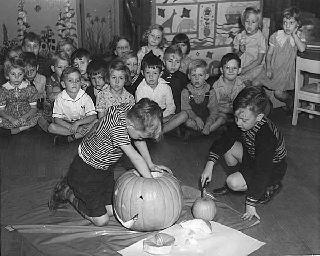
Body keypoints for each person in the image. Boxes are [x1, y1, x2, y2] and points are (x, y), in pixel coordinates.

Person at [48, 98, 170, 226]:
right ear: (131, 126)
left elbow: (139, 140)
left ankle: (84, 195)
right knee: (102, 221)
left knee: (113, 209)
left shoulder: (131, 113)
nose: (140, 139)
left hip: (105, 170)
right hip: (85, 171)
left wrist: (150, 165)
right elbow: (135, 157)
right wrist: (151, 183)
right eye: (140, 135)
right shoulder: (117, 128)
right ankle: (67, 192)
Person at [201, 86, 286, 221]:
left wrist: (250, 204)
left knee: (233, 182)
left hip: (272, 167)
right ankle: (243, 178)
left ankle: (269, 186)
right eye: (236, 117)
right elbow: (224, 140)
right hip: (253, 156)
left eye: (244, 120)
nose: (238, 123)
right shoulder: (242, 119)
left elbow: (262, 170)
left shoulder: (266, 136)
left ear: (259, 117)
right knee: (227, 148)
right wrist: (209, 165)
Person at [253, 7, 306, 112]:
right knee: (255, 84)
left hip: (285, 72)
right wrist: (268, 68)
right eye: (285, 22)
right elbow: (269, 54)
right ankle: (265, 100)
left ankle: (290, 102)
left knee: (278, 93)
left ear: (297, 24)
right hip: (272, 68)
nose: (287, 26)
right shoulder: (276, 36)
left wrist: (294, 34)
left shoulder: (298, 36)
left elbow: (302, 48)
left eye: (291, 23)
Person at [47, 67, 97, 145]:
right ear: (63, 84)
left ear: (80, 83)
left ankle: (72, 137)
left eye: (77, 81)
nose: (74, 83)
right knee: (51, 127)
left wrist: (78, 124)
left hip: (82, 123)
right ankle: (80, 134)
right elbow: (57, 119)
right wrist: (75, 128)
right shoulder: (60, 98)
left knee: (97, 122)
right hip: (66, 124)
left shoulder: (85, 97)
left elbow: (93, 116)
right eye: (70, 81)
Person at [0, 58, 40, 135]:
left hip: (26, 114)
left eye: (20, 74)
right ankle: (22, 128)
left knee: (38, 117)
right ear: (7, 75)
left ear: (24, 74)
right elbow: (1, 110)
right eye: (13, 74)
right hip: (9, 116)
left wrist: (24, 117)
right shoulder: (3, 90)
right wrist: (11, 119)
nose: (17, 77)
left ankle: (20, 129)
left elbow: (34, 108)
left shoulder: (29, 89)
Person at [181, 59, 218, 135]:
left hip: (207, 118)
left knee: (221, 119)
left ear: (206, 76)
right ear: (189, 76)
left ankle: (206, 128)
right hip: (193, 118)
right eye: (194, 75)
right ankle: (201, 131)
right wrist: (196, 118)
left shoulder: (210, 91)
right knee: (188, 123)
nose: (196, 78)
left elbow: (213, 111)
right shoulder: (186, 91)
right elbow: (186, 109)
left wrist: (208, 124)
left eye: (200, 75)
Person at [211, 53, 245, 132]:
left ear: (239, 70)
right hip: (221, 112)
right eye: (227, 67)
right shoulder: (217, 86)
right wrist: (227, 110)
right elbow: (213, 106)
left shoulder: (241, 84)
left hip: (235, 112)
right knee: (220, 118)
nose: (231, 71)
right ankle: (206, 131)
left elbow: (243, 102)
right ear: (222, 70)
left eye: (234, 68)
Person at [233, 7, 266, 83]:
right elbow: (235, 56)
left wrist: (245, 69)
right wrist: (241, 51)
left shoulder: (261, 38)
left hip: (256, 66)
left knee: (243, 81)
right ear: (243, 21)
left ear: (259, 24)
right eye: (247, 21)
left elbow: (259, 61)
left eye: (253, 22)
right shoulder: (239, 36)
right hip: (242, 65)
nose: (249, 25)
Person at [161, 45, 188, 113]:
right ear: (164, 62)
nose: (173, 65)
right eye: (170, 61)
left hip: (179, 109)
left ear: (181, 62)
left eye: (177, 62)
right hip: (163, 110)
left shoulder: (183, 77)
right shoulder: (160, 76)